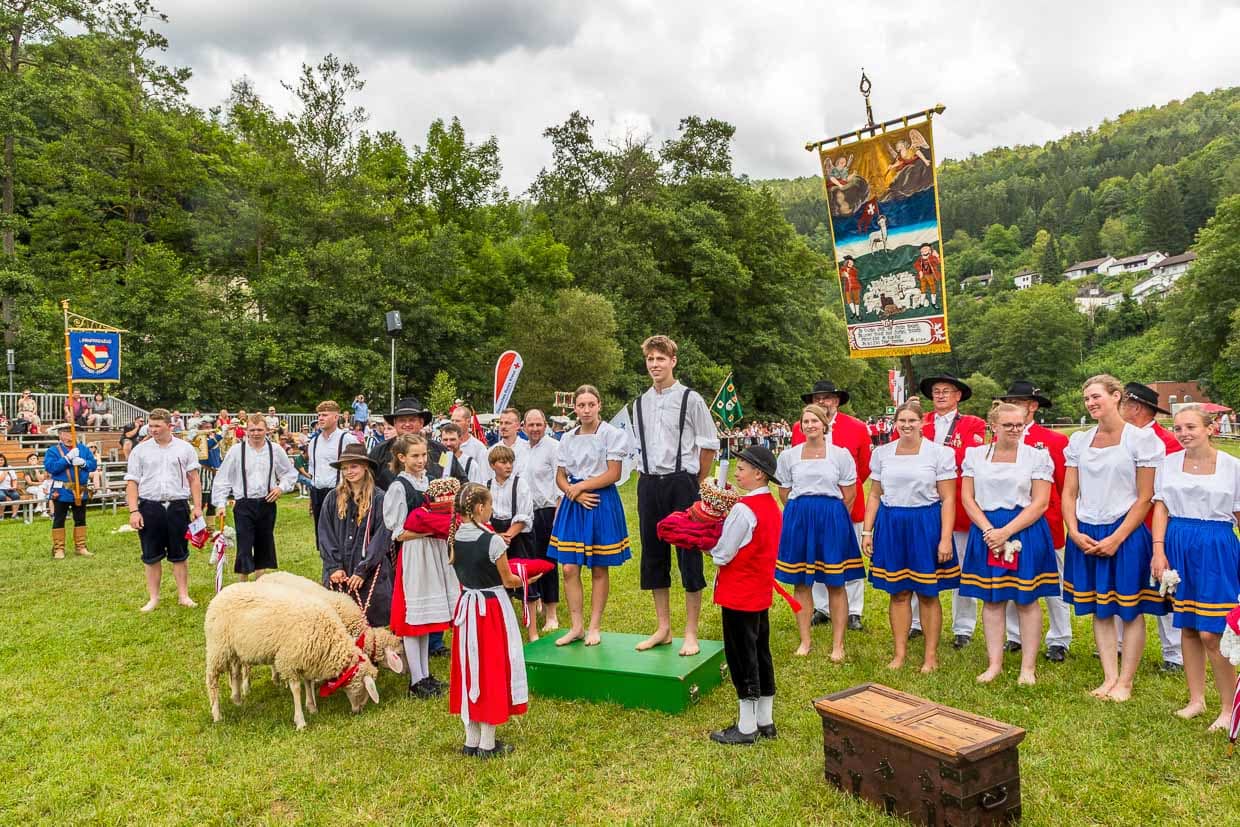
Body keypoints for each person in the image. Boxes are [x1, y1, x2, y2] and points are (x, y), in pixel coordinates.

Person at [1062, 374, 1166, 702]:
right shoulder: (1079, 441)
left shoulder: (1141, 440)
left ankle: (1126, 682)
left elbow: (1146, 496)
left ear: (1117, 396)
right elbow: (1068, 492)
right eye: (1087, 399)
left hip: (1126, 531)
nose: (1091, 403)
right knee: (1099, 608)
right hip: (1086, 532)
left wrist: (1117, 538)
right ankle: (1109, 677)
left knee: (1130, 609)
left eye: (1097, 397)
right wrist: (1074, 531)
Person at [1150, 405, 1240, 731]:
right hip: (1177, 542)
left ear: (1210, 428)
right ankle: (1196, 699)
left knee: (1212, 631)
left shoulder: (1232, 466)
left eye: (1191, 427)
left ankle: (1229, 708)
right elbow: (1161, 508)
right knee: (1187, 625)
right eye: (1178, 428)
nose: (1184, 433)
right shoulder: (1168, 463)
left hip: (1216, 545)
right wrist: (1158, 551)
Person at [959, 402, 1059, 685]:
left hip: (1024, 529)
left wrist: (1007, 532)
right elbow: (968, 498)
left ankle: (1028, 667)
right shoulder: (975, 455)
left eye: (1019, 424)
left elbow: (1040, 502)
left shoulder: (1037, 457)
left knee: (1027, 599)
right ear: (994, 427)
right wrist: (990, 530)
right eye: (1008, 425)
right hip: (987, 530)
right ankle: (994, 664)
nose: (1015, 429)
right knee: (992, 599)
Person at [632, 335, 719, 657]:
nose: (655, 365)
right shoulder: (640, 402)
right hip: (649, 483)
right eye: (650, 360)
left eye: (660, 359)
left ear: (673, 361)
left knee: (688, 555)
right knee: (653, 555)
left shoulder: (690, 399)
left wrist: (696, 481)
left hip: (682, 482)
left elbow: (708, 443)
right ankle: (663, 627)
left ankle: (691, 632)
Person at [862, 399, 960, 673]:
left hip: (925, 522)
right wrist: (868, 530)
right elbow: (874, 494)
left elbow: (949, 499)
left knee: (928, 593)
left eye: (912, 421)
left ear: (922, 422)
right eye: (901, 421)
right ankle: (900, 652)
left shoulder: (939, 454)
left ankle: (930, 656)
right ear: (895, 423)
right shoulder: (882, 453)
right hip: (892, 523)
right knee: (899, 591)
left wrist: (944, 538)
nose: (906, 425)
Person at [448, 482, 531, 758]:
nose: (492, 511)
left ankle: (471, 738)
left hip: (467, 608)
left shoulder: (456, 535)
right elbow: (508, 579)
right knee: (492, 668)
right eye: (491, 506)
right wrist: (528, 578)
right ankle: (487, 742)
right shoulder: (492, 540)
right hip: (491, 609)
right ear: (480, 508)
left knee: (471, 667)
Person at [706, 446, 783, 745]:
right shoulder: (772, 508)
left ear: (758, 474)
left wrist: (707, 542)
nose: (736, 473)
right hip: (759, 592)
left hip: (739, 594)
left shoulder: (743, 509)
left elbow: (723, 554)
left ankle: (747, 726)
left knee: (741, 656)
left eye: (741, 468)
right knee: (761, 651)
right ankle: (766, 719)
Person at [775, 404, 862, 660]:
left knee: (836, 582)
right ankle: (805, 640)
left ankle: (838, 644)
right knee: (802, 582)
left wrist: (831, 517)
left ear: (825, 425)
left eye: (815, 421)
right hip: (800, 518)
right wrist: (801, 514)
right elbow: (784, 492)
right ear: (801, 426)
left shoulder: (840, 455)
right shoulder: (789, 456)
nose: (810, 425)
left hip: (832, 518)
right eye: (806, 422)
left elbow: (850, 494)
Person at [548, 384, 632, 647]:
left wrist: (581, 487)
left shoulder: (611, 434)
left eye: (590, 404)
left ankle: (595, 626)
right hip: (575, 502)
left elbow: (613, 473)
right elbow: (560, 476)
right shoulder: (567, 437)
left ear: (599, 405)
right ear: (575, 408)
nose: (585, 410)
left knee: (598, 566)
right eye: (581, 405)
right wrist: (573, 492)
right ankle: (576, 626)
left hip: (600, 499)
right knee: (569, 567)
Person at [997, 381, 1072, 663]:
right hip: (1009, 520)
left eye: (1019, 402)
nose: (1014, 407)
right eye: (1010, 402)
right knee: (1011, 577)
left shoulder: (1054, 441)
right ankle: (1015, 635)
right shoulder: (1000, 441)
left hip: (1046, 522)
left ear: (1032, 406)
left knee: (1054, 583)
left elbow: (1066, 487)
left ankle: (1059, 637)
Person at [911, 373, 986, 648]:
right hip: (924, 506)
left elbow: (972, 461)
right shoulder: (921, 422)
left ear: (958, 396)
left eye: (946, 391)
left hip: (960, 505)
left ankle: (963, 627)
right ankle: (917, 622)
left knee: (963, 568)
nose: (940, 395)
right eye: (936, 391)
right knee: (920, 563)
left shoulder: (973, 424)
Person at [791, 380, 872, 632]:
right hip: (814, 507)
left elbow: (864, 466)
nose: (822, 402)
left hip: (848, 503)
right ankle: (823, 607)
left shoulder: (857, 427)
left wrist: (842, 492)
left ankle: (854, 611)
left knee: (849, 556)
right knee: (816, 555)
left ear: (837, 401)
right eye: (817, 398)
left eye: (827, 398)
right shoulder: (799, 428)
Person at [1118, 382, 1184, 673]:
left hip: (1155, 522)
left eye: (1122, 404)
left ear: (1135, 407)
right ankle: (1120, 643)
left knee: (1163, 584)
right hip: (1123, 520)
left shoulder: (1167, 443)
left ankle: (1174, 653)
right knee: (1123, 581)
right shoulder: (1119, 437)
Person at [384, 434, 456, 700]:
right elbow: (398, 531)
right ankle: (416, 680)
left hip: (433, 552)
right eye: (415, 456)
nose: (421, 460)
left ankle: (425, 675)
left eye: (424, 455)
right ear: (402, 458)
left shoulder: (428, 482)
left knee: (425, 619)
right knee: (414, 619)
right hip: (415, 555)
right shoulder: (399, 487)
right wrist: (431, 529)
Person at [125, 408, 203, 612]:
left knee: (180, 554)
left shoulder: (185, 448)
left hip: (177, 506)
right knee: (151, 555)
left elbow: (194, 479)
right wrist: (134, 511)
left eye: (157, 426)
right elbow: (132, 482)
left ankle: (183, 595)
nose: (153, 430)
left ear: (170, 426)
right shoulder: (139, 451)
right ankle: (153, 598)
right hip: (150, 506)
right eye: (150, 426)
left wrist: (197, 507)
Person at [211, 413, 298, 581]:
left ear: (267, 430)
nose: (256, 433)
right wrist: (220, 504)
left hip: (267, 503)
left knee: (264, 543)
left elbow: (289, 473)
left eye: (260, 430)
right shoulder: (237, 451)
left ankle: (260, 584)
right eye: (252, 430)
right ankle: (243, 586)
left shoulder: (275, 450)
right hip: (244, 504)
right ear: (246, 431)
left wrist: (281, 488)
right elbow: (222, 479)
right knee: (244, 544)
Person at [316, 443, 394, 629]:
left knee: (372, 621)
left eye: (354, 466)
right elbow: (325, 534)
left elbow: (382, 537)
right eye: (345, 468)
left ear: (365, 467)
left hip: (371, 569)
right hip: (339, 571)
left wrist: (363, 570)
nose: (349, 472)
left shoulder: (379, 499)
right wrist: (334, 567)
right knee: (340, 621)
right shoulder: (332, 498)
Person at [487, 444, 537, 640]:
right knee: (499, 582)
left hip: (518, 537)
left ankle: (532, 632)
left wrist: (507, 536)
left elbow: (525, 516)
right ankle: (505, 629)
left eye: (510, 462)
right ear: (492, 465)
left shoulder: (520, 484)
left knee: (526, 581)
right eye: (503, 462)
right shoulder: (487, 485)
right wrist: (495, 537)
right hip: (494, 535)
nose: (508, 466)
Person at [523, 408, 561, 631]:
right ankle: (536, 601)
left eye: (539, 424)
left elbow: (559, 480)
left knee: (549, 562)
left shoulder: (553, 448)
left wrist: (558, 510)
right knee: (531, 560)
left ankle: (551, 613)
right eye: (531, 425)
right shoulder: (522, 450)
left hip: (547, 511)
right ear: (524, 426)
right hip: (527, 513)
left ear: (545, 424)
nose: (535, 429)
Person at [371, 397, 458, 491]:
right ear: (394, 423)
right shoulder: (379, 452)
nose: (407, 424)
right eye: (402, 420)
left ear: (421, 423)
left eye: (412, 420)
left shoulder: (441, 451)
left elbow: (459, 479)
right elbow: (368, 484)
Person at [307, 400, 361, 541]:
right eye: (319, 415)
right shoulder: (314, 441)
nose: (320, 418)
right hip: (318, 493)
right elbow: (313, 470)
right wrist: (311, 498)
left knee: (341, 535)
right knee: (322, 536)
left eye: (325, 415)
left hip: (341, 492)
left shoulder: (347, 439)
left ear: (336, 417)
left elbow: (360, 467)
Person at [44, 428, 98, 557]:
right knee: (59, 518)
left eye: (73, 432)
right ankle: (59, 549)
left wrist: (84, 463)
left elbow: (93, 465)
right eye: (67, 432)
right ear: (61, 435)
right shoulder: (53, 451)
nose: (71, 435)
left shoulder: (83, 449)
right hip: (62, 490)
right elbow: (51, 467)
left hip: (80, 490)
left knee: (80, 518)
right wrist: (67, 459)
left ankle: (81, 546)